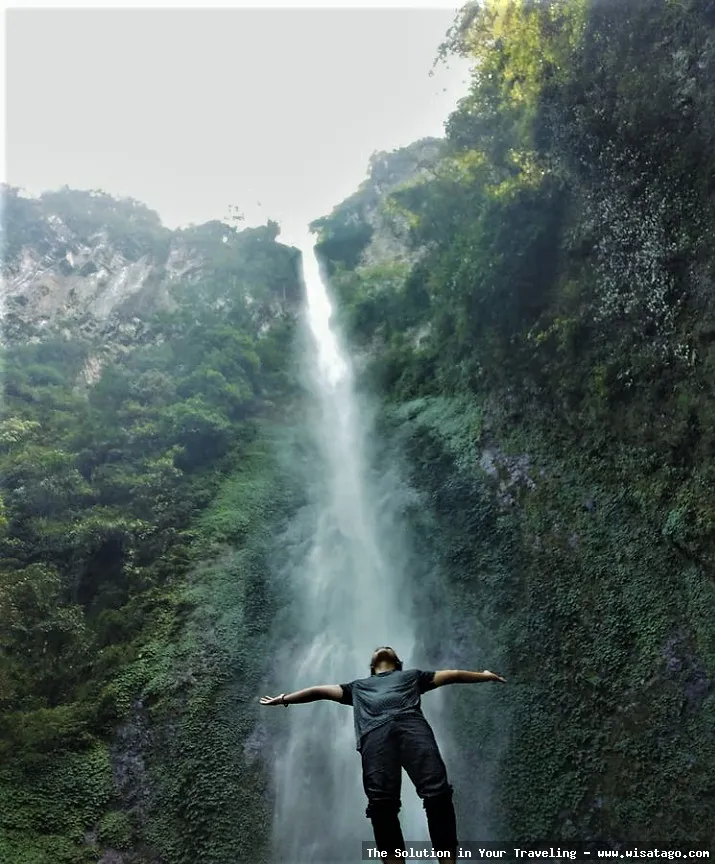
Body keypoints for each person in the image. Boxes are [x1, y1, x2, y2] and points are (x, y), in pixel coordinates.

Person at [260, 645, 507, 862]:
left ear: (398, 664)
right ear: (372, 666)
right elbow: (319, 691)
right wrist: (283, 699)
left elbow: (452, 675)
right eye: (379, 649)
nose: (383, 647)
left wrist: (483, 676)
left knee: (438, 794)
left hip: (412, 727)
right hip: (374, 737)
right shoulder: (357, 688)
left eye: (388, 649)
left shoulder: (413, 677)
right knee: (381, 807)